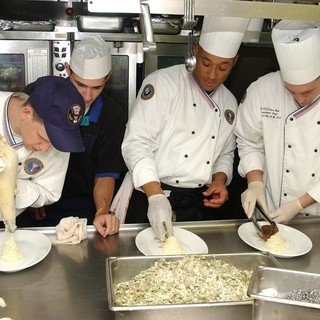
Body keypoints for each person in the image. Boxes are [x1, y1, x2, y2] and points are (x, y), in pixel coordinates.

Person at [120, 16, 251, 241]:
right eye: (206, 63)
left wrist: (220, 180)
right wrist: (156, 196)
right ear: (197, 51)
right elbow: (136, 144)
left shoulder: (229, 102)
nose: (212, 75)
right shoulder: (162, 84)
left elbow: (225, 153)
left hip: (197, 203)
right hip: (152, 195)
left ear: (235, 62)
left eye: (223, 67)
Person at [20, 36, 126, 237]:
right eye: (80, 85)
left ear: (108, 77)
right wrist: (30, 196)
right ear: (68, 70)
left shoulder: (111, 115)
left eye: (96, 87)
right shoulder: (38, 94)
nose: (87, 96)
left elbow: (105, 173)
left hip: (81, 205)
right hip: (34, 199)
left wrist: (102, 210)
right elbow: (21, 145)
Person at [234, 20, 320, 223]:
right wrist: (254, 182)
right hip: (272, 212)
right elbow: (249, 142)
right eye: (291, 90)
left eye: (307, 91)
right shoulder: (262, 90)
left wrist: (300, 203)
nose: (299, 99)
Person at [0, 76, 85, 231]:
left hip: (11, 224)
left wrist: (10, 185)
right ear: (26, 113)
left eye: (54, 143)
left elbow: (49, 193)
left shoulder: (58, 143)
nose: (46, 149)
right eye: (42, 138)